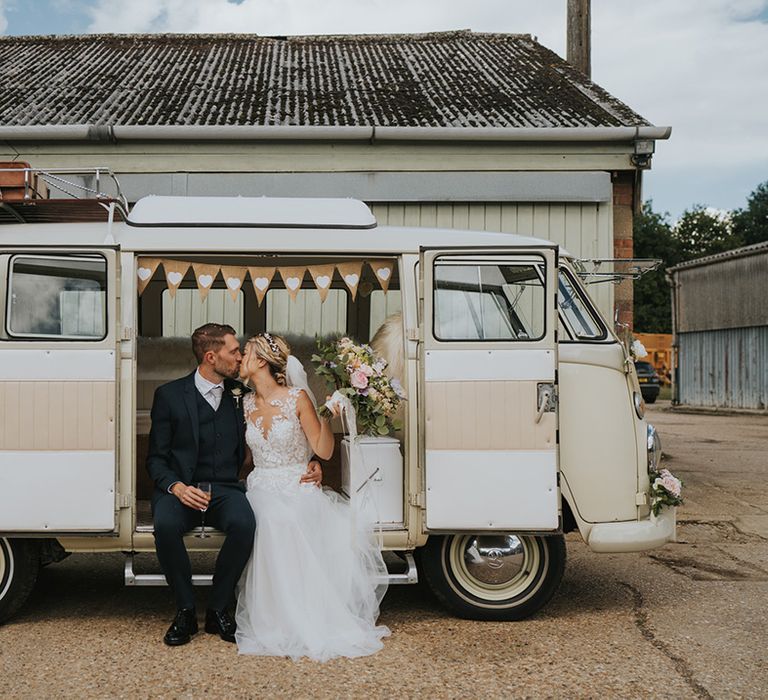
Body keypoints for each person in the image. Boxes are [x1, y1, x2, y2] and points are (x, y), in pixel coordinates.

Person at [146, 323, 322, 646]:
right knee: (165, 524)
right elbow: (155, 459)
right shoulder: (168, 396)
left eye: (242, 351)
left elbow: (284, 432)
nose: (240, 356)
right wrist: (177, 487)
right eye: (233, 351)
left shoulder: (241, 397)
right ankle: (185, 609)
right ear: (211, 357)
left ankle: (217, 607)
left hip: (226, 488)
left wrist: (313, 462)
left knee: (246, 523)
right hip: (182, 488)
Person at [235, 332, 390, 661]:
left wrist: (325, 418)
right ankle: (275, 616)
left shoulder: (297, 399)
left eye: (245, 352)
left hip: (297, 480)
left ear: (261, 361)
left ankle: (302, 615)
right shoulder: (244, 402)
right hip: (260, 484)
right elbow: (247, 457)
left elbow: (323, 450)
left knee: (289, 516)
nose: (240, 358)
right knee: (269, 516)